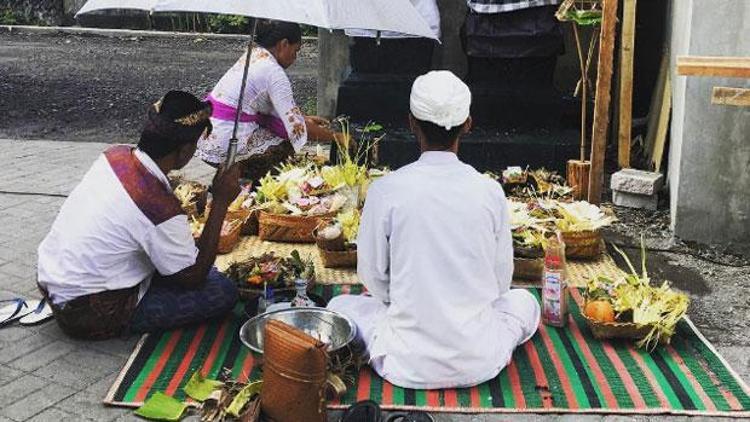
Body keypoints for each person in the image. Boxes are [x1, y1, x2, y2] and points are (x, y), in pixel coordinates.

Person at [328, 71, 540, 389]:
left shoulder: (386, 189)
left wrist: (411, 301)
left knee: (339, 306)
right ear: (467, 123)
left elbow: (372, 278)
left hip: (404, 362)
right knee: (525, 303)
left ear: (411, 123)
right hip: (480, 358)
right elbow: (500, 283)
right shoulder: (489, 190)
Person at [37, 91, 242, 340]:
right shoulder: (156, 204)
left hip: (55, 285)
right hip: (90, 314)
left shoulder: (115, 155)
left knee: (179, 260)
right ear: (185, 149)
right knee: (222, 290)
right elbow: (194, 277)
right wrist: (220, 201)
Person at [198, 20, 335, 182]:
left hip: (209, 135)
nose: (295, 57)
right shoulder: (273, 73)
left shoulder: (254, 55)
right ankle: (262, 181)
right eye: (295, 50)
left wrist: (304, 118)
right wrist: (337, 137)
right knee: (286, 144)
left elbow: (273, 109)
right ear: (284, 44)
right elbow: (296, 128)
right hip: (226, 144)